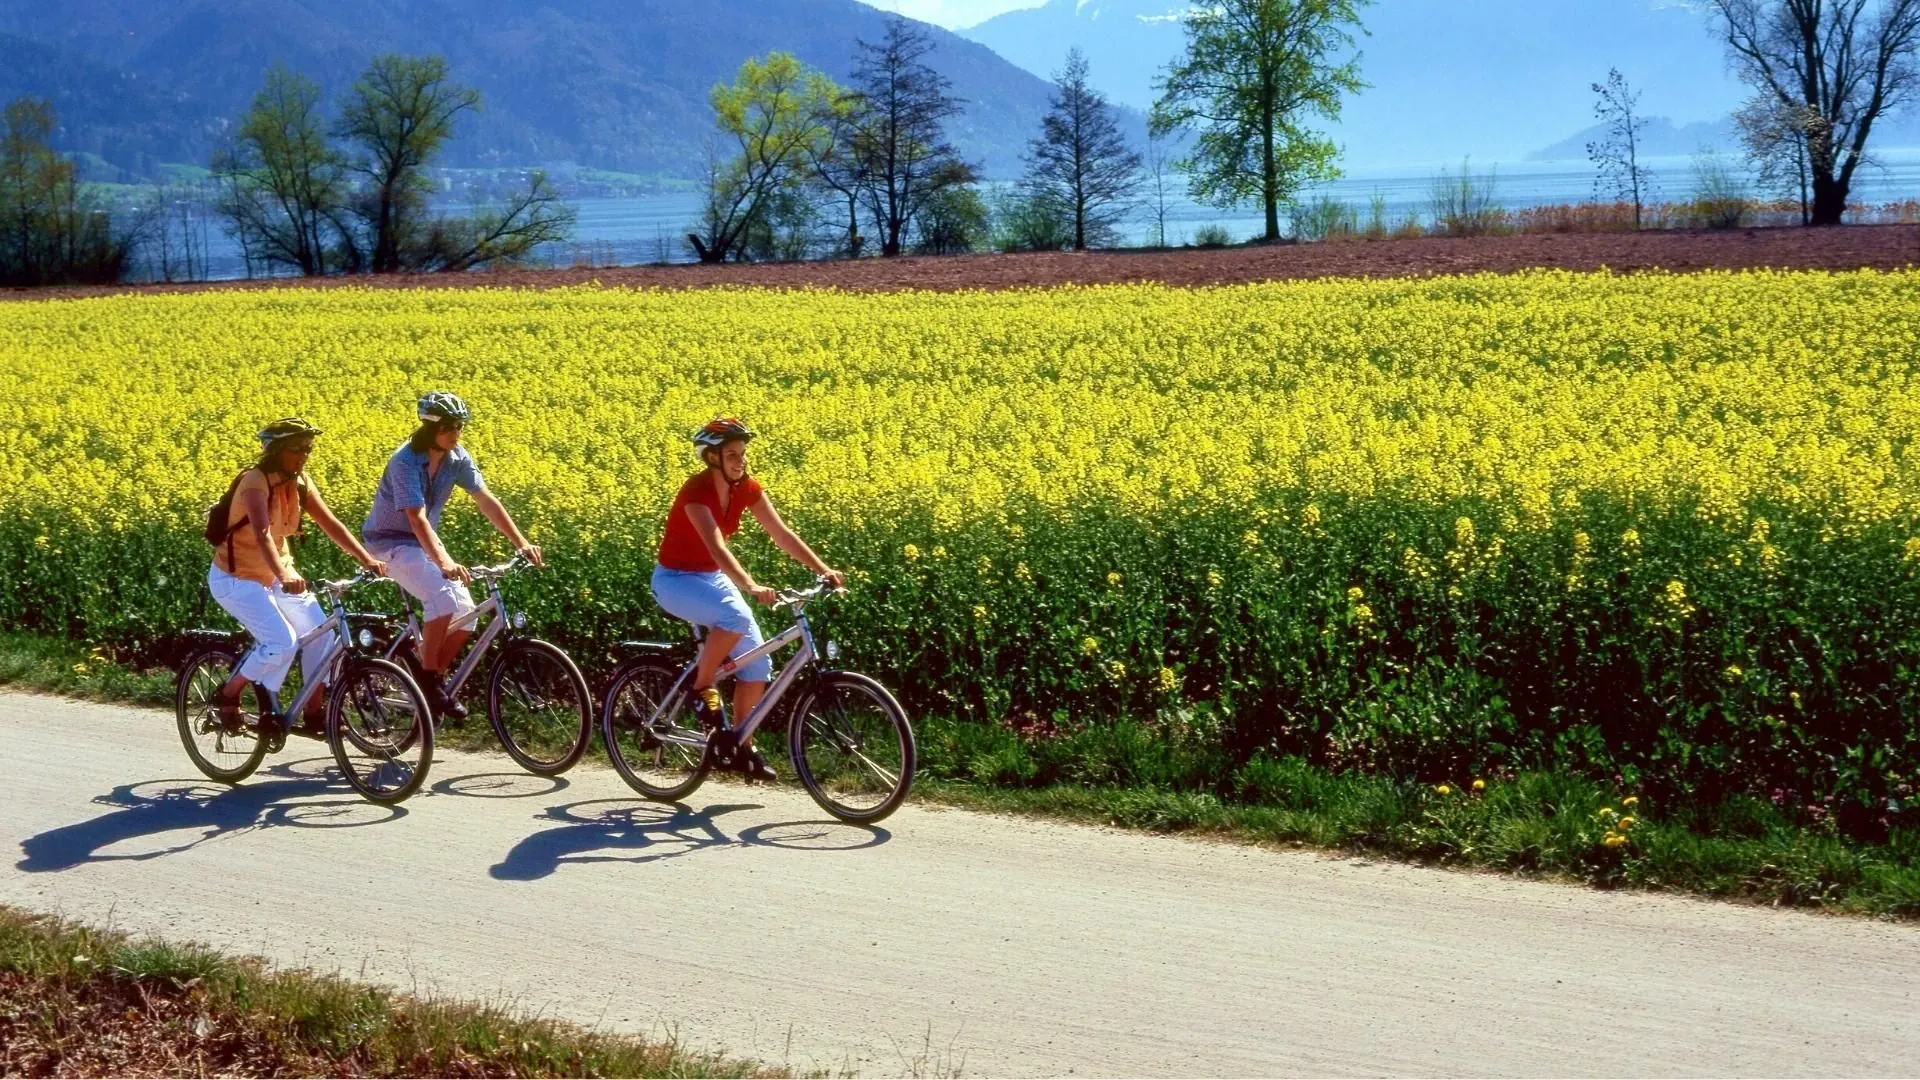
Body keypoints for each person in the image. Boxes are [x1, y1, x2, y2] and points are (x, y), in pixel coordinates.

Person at [652, 417, 844, 782]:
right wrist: (751, 586)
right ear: (712, 458)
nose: (740, 461)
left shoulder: (747, 488)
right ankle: (700, 688)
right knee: (735, 620)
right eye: (732, 455)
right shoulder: (696, 492)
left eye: (742, 453)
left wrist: (823, 570)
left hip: (710, 578)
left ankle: (743, 747)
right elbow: (717, 546)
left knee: (757, 667)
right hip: (675, 580)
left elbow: (781, 533)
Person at [361, 392, 543, 719]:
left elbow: (485, 499)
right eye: (449, 427)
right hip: (389, 543)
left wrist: (521, 542)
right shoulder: (404, 461)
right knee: (443, 599)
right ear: (431, 428)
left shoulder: (457, 457)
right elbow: (415, 518)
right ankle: (429, 683)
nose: (456, 433)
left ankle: (428, 681)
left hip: (423, 542)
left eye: (460, 426)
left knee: (468, 614)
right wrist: (444, 562)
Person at [208, 418, 387, 748]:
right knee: (283, 641)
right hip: (236, 579)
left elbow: (329, 522)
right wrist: (285, 575)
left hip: (276, 575)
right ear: (276, 450)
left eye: (308, 448)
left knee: (322, 637)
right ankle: (229, 693)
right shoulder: (254, 481)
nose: (305, 455)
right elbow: (262, 534)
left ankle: (314, 713)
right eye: (298, 449)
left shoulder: (300, 481)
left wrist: (366, 558)